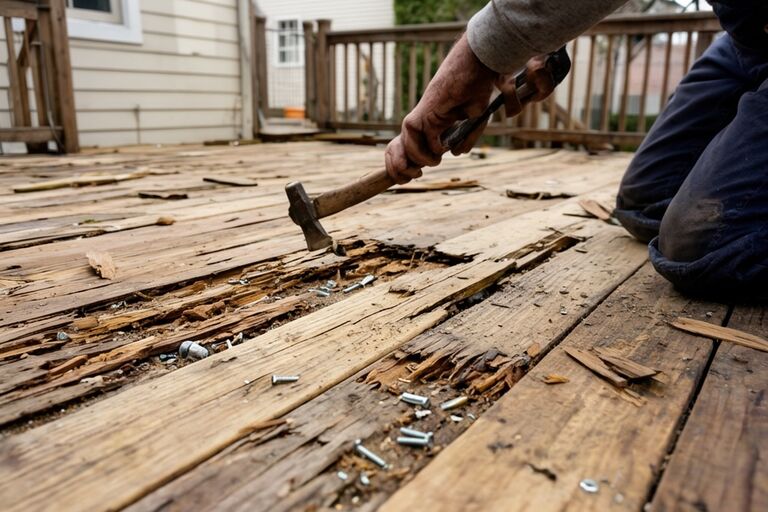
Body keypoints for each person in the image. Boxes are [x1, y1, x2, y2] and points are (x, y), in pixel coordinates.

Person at [384, 0, 768, 300]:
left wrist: (477, 57)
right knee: (645, 201)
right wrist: (541, 42)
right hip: (746, 40)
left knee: (701, 247)